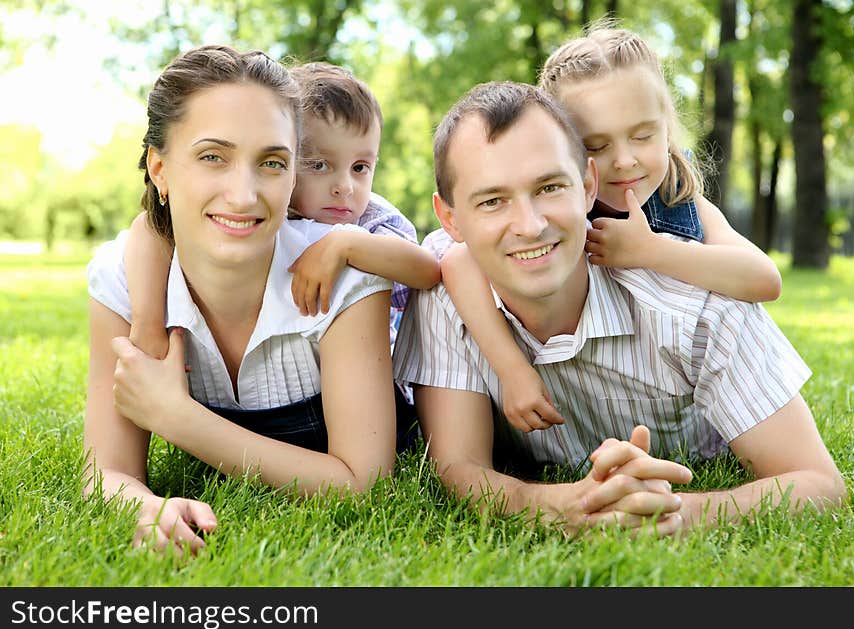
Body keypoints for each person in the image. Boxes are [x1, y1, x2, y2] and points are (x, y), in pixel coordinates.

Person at [392, 80, 846, 537]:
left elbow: (818, 483)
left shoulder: (700, 308)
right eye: (493, 201)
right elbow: (458, 468)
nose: (529, 226)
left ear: (589, 185)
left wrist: (676, 513)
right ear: (449, 219)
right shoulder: (444, 293)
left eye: (550, 187)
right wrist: (558, 504)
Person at [84, 45, 399, 556]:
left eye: (272, 163)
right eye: (213, 157)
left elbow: (364, 485)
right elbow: (106, 471)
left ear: (294, 173)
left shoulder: (348, 279)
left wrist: (178, 418)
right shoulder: (124, 284)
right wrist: (143, 504)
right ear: (160, 169)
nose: (244, 194)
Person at [439, 23, 783, 433]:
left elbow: (764, 280)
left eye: (642, 136)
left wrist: (650, 250)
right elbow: (457, 261)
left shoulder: (677, 196)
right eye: (597, 146)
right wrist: (511, 369)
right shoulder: (549, 211)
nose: (624, 161)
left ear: (666, 131)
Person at [123, 60, 440, 420]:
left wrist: (345, 243)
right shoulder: (259, 208)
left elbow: (427, 270)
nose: (344, 187)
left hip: (382, 388)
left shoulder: (370, 219)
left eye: (360, 167)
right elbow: (150, 228)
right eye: (319, 165)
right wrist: (148, 324)